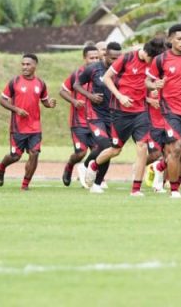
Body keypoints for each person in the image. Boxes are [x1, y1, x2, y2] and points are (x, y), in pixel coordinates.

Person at [88, 39, 165, 196]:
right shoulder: (127, 58)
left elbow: (147, 82)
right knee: (116, 150)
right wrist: (120, 96)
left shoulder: (153, 63)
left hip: (141, 111)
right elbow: (107, 78)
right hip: (120, 112)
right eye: (153, 59)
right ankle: (94, 165)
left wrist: (154, 87)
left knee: (142, 146)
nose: (154, 63)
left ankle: (135, 189)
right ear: (147, 53)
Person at [146, 24, 181, 198]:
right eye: (179, 39)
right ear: (170, 39)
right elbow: (147, 81)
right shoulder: (161, 60)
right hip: (169, 110)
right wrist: (155, 85)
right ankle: (174, 190)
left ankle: (160, 168)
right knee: (176, 149)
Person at [0, 54, 56, 190]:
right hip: (18, 127)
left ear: (35, 66)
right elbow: (2, 100)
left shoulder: (40, 83)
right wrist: (16, 109)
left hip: (35, 127)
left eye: (28, 64)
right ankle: (1, 167)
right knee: (15, 156)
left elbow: (44, 101)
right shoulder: (14, 82)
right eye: (23, 64)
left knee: (34, 154)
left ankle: (25, 185)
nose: (25, 67)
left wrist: (50, 104)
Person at [76, 43, 122, 190]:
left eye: (118, 58)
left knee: (111, 149)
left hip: (113, 116)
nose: (115, 61)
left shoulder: (121, 70)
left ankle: (97, 183)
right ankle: (85, 166)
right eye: (112, 58)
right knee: (105, 145)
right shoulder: (94, 68)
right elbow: (76, 85)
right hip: (95, 115)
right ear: (105, 56)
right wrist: (90, 96)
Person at [59, 45, 103, 187]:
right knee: (80, 152)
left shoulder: (102, 74)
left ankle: (88, 171)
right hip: (79, 121)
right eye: (92, 58)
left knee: (100, 149)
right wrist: (74, 101)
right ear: (84, 58)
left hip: (96, 120)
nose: (95, 60)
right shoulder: (77, 74)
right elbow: (63, 91)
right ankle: (70, 166)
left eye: (97, 57)